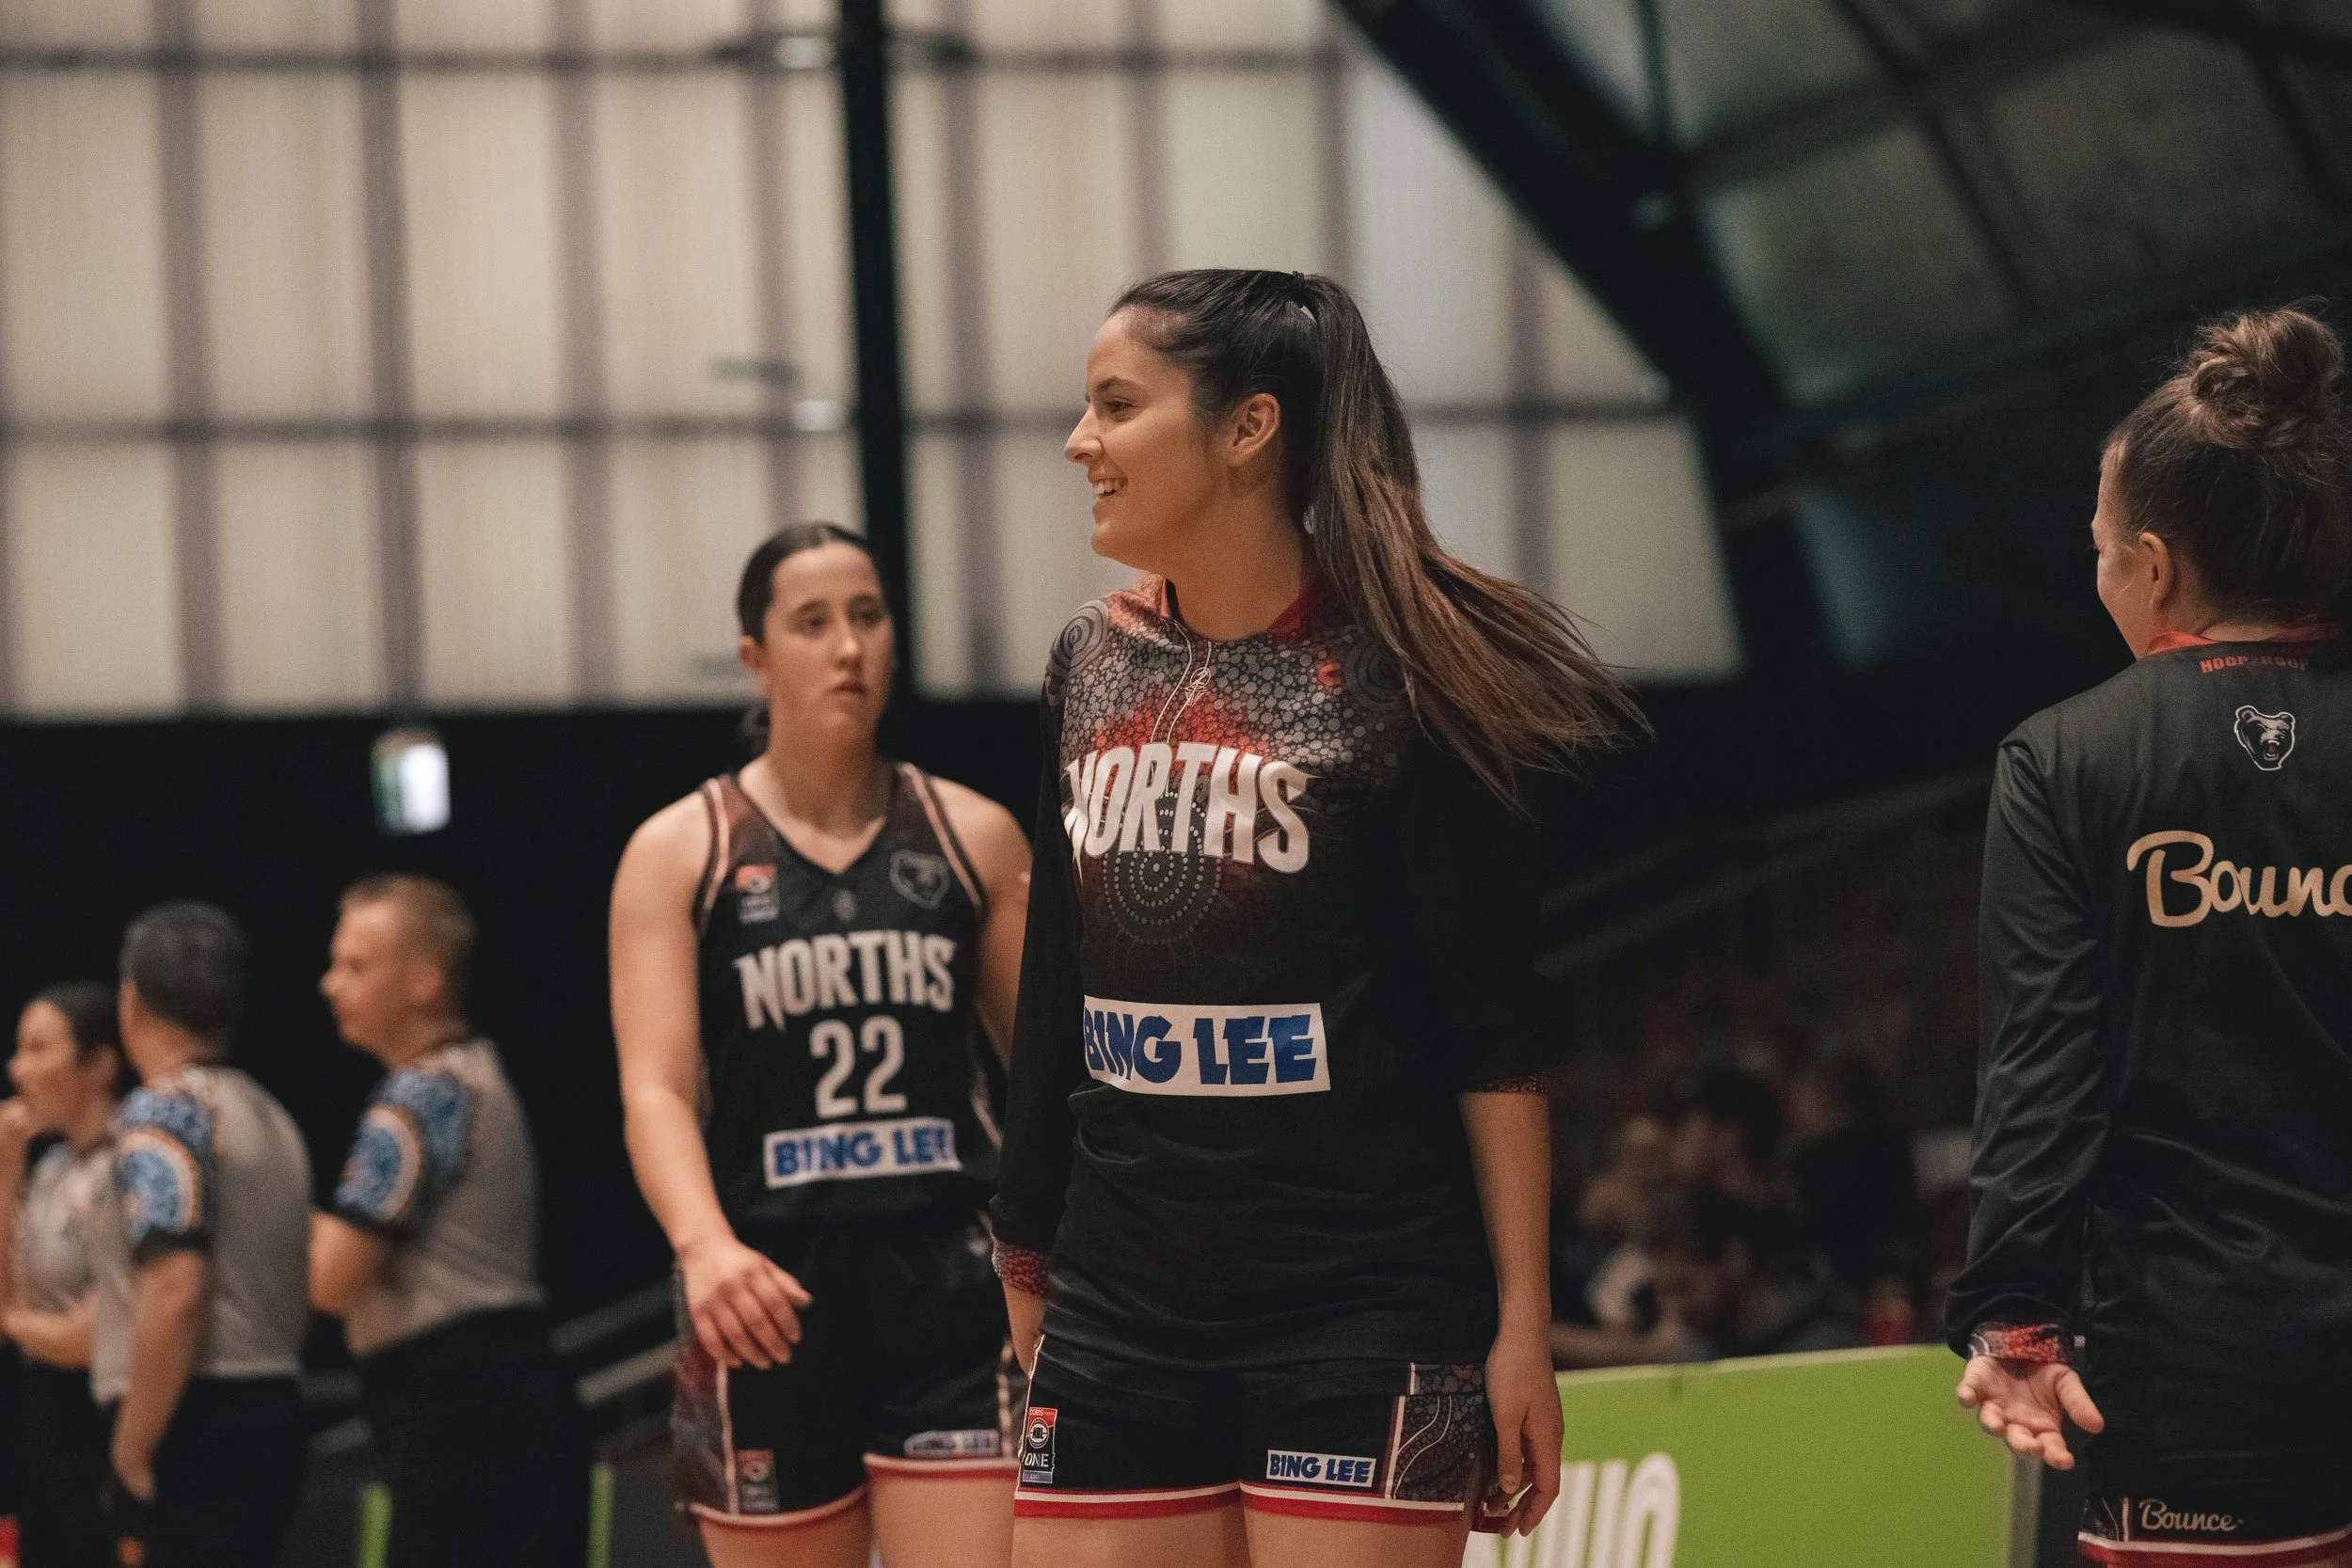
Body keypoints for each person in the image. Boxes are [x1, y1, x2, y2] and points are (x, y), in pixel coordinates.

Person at [992, 268, 1640, 1568]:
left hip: (1364, 1312)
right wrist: (1022, 1244)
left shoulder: (1414, 676)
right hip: (1119, 1304)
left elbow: (1494, 1032)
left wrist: (1522, 1323)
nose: (1079, 442)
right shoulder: (1089, 659)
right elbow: (1056, 981)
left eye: (1116, 405)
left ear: (1248, 428)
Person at [1948, 307, 2352, 1564]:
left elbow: (2041, 1071)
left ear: (2158, 565)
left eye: (2100, 549)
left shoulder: (2063, 760)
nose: (2101, 575)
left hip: (2197, 1377)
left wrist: (2017, 1321)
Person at [611, 524, 1032, 1567]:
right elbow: (655, 1088)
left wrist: (1053, 1246)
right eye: (812, 622)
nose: (848, 645)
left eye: (867, 616)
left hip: (952, 1285)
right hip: (764, 1286)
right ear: (754, 655)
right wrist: (704, 1246)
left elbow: (1046, 1074)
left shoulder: (973, 834)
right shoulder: (681, 850)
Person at [310, 875, 585, 1568]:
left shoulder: (421, 1095)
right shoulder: (473, 1071)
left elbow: (333, 1282)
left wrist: (273, 1214)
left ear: (425, 981)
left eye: (355, 966)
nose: (329, 984)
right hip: (505, 1394)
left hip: (460, 1410)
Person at [94, 901, 310, 1568]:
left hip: (194, 1416)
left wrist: (131, 1451)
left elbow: (176, 1287)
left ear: (132, 1000)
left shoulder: (166, 1111)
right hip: (275, 1401)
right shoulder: (273, 1117)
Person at [1, 983, 131, 1568]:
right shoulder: (52, 1167)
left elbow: (90, 1338)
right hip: (43, 1422)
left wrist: (13, 1321)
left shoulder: (131, 1162)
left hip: (106, 1422)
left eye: (37, 1048)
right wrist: (6, 1171)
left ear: (99, 1065)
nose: (17, 1068)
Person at [1637, 1186, 1858, 1363]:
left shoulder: (1827, 1349)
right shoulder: (1697, 1357)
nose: (1674, 1307)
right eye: (1664, 1293)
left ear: (1735, 1259)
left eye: (1683, 1286)